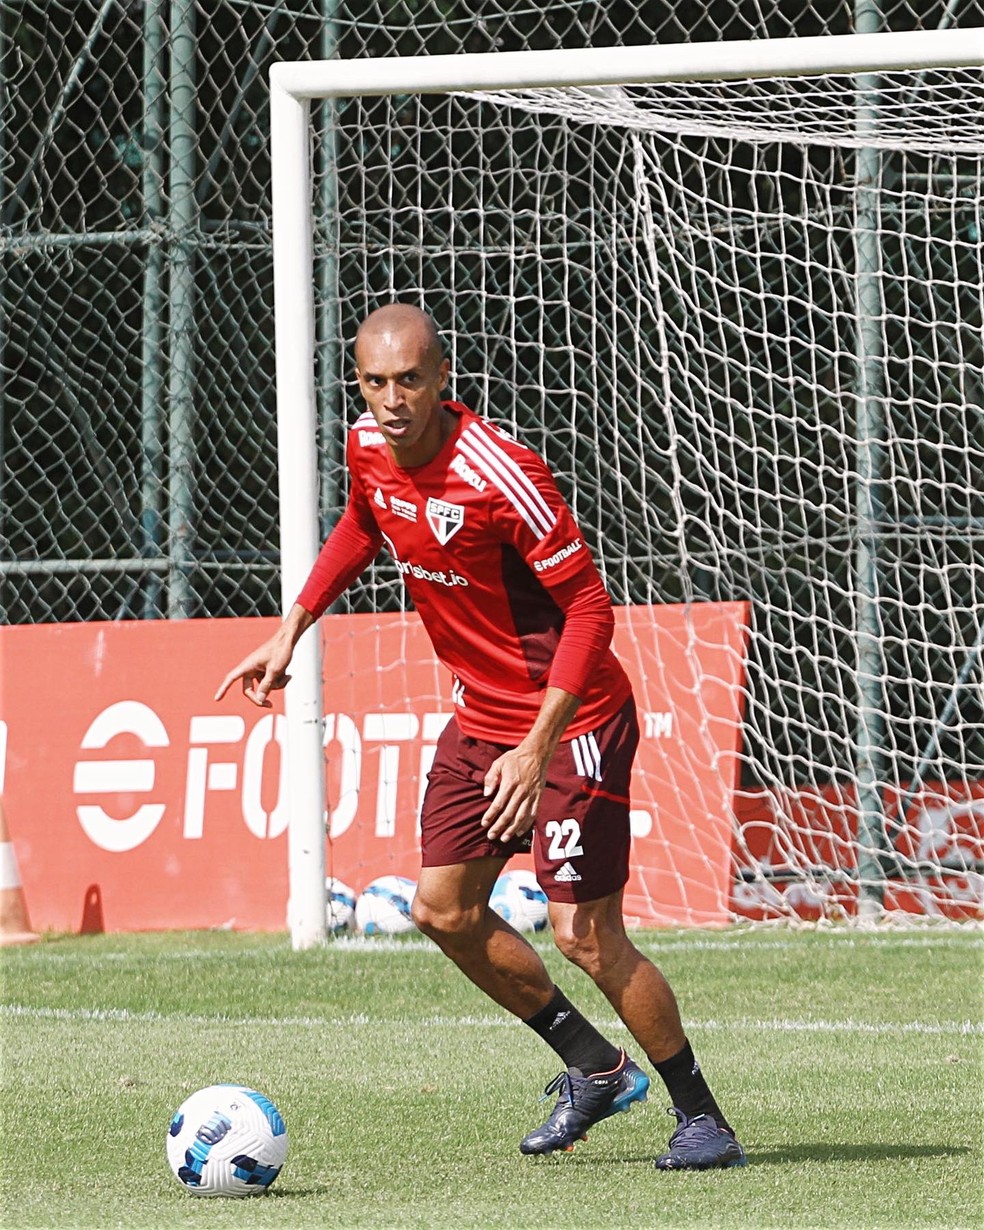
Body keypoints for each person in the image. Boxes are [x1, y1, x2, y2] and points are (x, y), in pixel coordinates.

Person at [215, 303, 746, 1170]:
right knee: (443, 909)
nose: (392, 400)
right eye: (376, 382)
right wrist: (291, 630)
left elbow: (590, 609)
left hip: (571, 724)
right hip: (480, 719)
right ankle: (593, 1068)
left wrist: (538, 747)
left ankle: (703, 1121)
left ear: (443, 378)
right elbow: (361, 525)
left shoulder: (501, 473)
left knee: (583, 935)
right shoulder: (366, 447)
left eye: (410, 380)